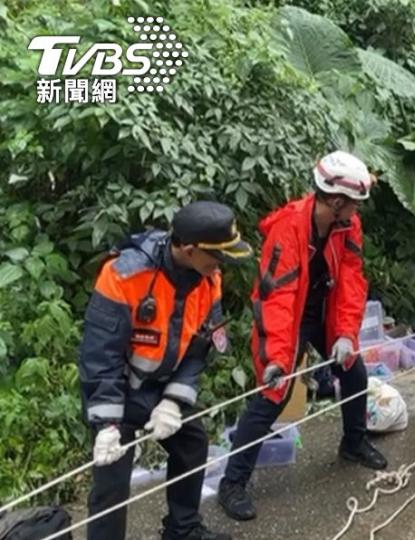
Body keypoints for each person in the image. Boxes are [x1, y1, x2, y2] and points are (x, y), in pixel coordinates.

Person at [218, 151, 387, 521]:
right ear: (337, 201)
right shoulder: (289, 228)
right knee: (272, 397)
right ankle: (233, 483)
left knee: (354, 373)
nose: (357, 212)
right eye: (354, 204)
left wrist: (345, 334)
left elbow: (352, 279)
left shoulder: (347, 226)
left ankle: (353, 443)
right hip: (289, 319)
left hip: (325, 314)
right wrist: (278, 357)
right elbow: (276, 296)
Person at [79, 201, 251, 540]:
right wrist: (108, 424)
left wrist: (173, 401)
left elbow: (200, 347)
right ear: (189, 249)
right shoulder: (124, 275)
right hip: (119, 390)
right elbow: (100, 354)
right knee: (111, 480)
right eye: (216, 255)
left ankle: (182, 529)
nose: (221, 264)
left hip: (163, 387)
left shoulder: (208, 279)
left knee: (192, 442)